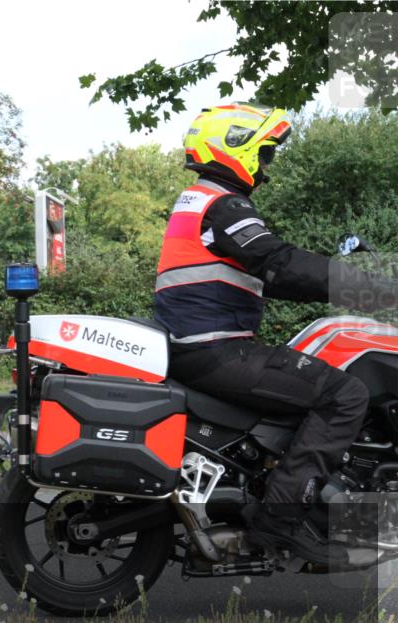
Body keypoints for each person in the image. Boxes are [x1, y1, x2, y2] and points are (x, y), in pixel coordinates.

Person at [155, 102, 398, 566]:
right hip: (216, 350)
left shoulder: (203, 201)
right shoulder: (222, 204)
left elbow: (275, 275)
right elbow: (278, 262)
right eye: (264, 153)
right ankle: (281, 522)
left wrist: (345, 288)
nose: (266, 166)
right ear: (234, 146)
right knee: (345, 395)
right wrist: (373, 288)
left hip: (203, 346)